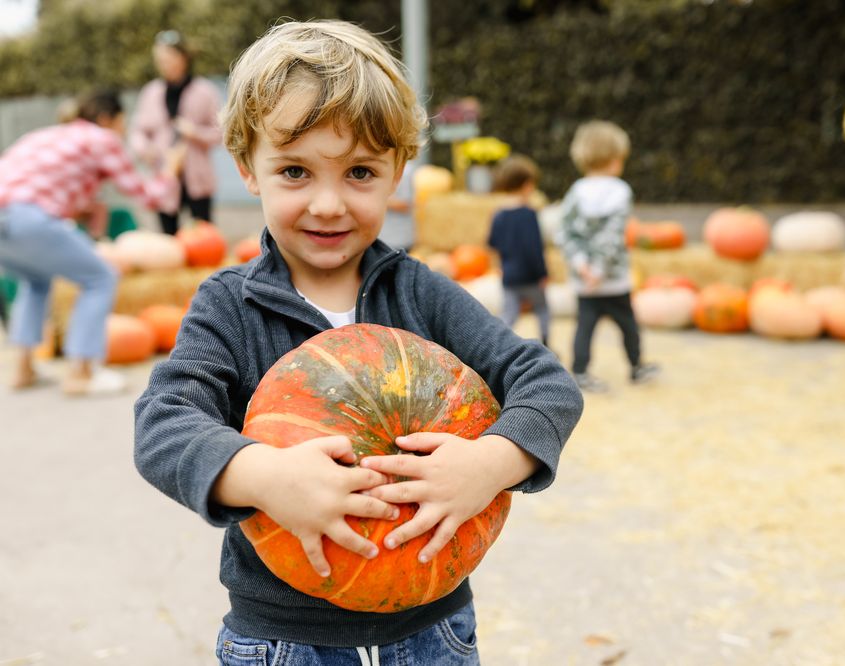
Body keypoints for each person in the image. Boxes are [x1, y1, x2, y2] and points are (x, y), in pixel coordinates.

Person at [132, 20, 583, 664]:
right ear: (248, 169)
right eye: (295, 171)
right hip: (284, 639)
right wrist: (263, 475)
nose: (328, 204)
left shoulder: (421, 293)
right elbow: (164, 423)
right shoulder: (230, 306)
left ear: (398, 172)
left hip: (433, 630)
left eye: (360, 172)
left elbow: (547, 383)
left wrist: (491, 464)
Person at [0, 90, 182, 395]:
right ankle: (81, 373)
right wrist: (170, 171)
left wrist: (85, 209)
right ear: (106, 119)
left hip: (8, 219)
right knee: (100, 277)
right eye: (122, 123)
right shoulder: (102, 138)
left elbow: (44, 188)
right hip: (28, 217)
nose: (123, 132)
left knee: (36, 280)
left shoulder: (49, 134)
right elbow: (148, 195)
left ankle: (23, 369)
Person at [557, 120, 659, 393]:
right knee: (628, 325)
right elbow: (613, 236)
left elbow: (564, 231)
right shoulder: (620, 191)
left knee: (584, 327)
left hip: (584, 280)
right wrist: (600, 270)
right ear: (615, 160)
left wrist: (582, 265)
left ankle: (580, 372)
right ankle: (636, 367)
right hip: (613, 279)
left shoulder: (576, 192)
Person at [129, 29, 222, 235]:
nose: (166, 64)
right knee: (167, 235)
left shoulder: (205, 91)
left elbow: (221, 133)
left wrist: (194, 132)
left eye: (170, 58)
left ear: (184, 58)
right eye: (161, 60)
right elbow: (137, 131)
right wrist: (145, 149)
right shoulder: (151, 92)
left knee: (203, 233)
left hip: (197, 177)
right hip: (164, 173)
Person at [487, 154, 551, 346]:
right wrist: (542, 273)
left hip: (509, 275)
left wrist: (500, 266)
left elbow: (492, 244)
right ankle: (546, 342)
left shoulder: (498, 215)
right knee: (542, 309)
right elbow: (534, 248)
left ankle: (497, 344)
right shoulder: (529, 214)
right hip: (530, 276)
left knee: (509, 313)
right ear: (526, 184)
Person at [377, 159, 416, 251]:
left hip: (398, 238)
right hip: (385, 237)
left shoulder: (406, 172)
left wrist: (378, 198)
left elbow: (406, 204)